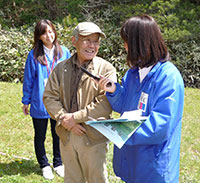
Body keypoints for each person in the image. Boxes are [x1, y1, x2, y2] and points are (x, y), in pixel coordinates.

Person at [97, 15, 184, 183]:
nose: (124, 47)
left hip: (153, 166)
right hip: (131, 161)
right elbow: (125, 106)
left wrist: (118, 131)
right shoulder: (133, 74)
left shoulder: (168, 77)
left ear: (141, 43)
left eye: (127, 42)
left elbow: (160, 126)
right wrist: (114, 90)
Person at [43, 22, 117, 183]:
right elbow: (49, 96)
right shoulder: (61, 68)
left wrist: (74, 118)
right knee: (72, 179)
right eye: (87, 40)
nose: (92, 45)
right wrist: (65, 119)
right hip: (67, 134)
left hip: (94, 137)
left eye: (96, 41)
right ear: (73, 41)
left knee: (96, 179)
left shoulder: (106, 69)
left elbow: (104, 104)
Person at [21, 19, 71, 180]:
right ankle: (44, 165)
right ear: (39, 36)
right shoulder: (34, 55)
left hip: (60, 102)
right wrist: (26, 100)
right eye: (44, 33)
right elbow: (28, 79)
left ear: (55, 32)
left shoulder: (64, 52)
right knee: (40, 135)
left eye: (51, 31)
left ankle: (58, 163)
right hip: (40, 102)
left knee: (58, 134)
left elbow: (72, 76)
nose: (49, 35)